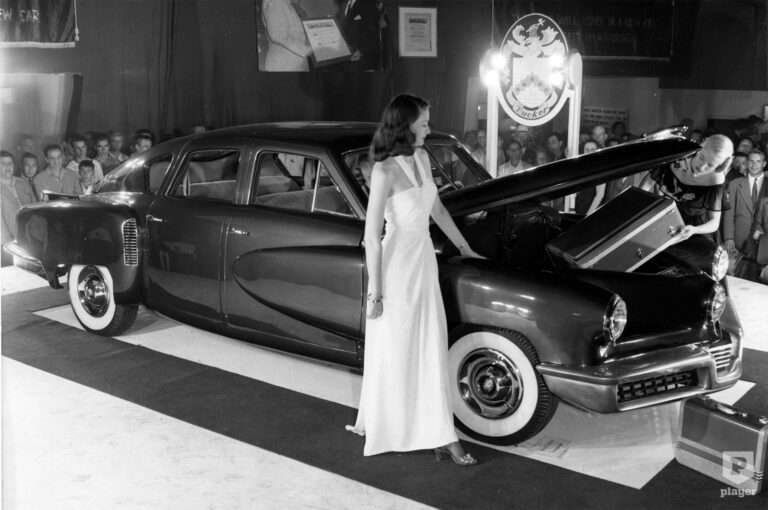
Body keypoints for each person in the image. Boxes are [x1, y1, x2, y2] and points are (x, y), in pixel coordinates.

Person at [346, 94, 481, 465]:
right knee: (398, 348)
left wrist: (465, 247)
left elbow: (437, 210)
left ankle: (437, 431)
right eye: (424, 122)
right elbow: (372, 237)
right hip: (395, 269)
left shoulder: (422, 157)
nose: (428, 128)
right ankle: (405, 427)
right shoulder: (383, 171)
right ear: (405, 125)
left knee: (429, 345)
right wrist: (376, 292)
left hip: (423, 262)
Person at [640, 134, 733, 244]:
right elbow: (645, 186)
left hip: (695, 231)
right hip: (665, 219)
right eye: (701, 157)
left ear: (719, 166)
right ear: (700, 148)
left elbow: (714, 223)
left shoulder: (716, 179)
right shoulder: (676, 159)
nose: (702, 166)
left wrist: (694, 230)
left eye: (710, 165)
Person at [724, 149, 767, 269]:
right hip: (739, 238)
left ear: (764, 164)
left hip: (764, 238)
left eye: (758, 161)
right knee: (736, 273)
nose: (754, 165)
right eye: (751, 161)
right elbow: (729, 213)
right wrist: (728, 237)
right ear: (747, 163)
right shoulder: (734, 184)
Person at [262, 0, 312, 71]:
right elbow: (278, 35)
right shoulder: (276, 2)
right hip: (285, 65)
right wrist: (307, 50)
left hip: (293, 62)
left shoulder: (283, 2)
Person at [574, 141, 605, 215]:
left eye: (592, 150)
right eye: (587, 150)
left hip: (591, 214)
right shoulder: (583, 167)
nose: (589, 152)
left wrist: (588, 215)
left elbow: (600, 194)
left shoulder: (600, 168)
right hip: (579, 211)